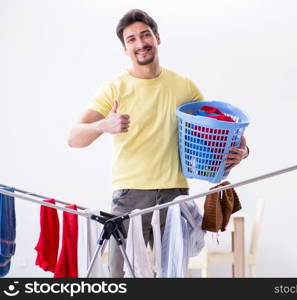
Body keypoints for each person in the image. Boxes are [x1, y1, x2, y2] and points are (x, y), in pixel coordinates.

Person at [68, 9, 249, 277]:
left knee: (170, 274)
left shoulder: (184, 87)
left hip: (174, 196)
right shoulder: (114, 88)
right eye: (131, 39)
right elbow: (73, 137)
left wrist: (243, 151)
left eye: (145, 35)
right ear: (125, 48)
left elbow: (215, 129)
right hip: (130, 195)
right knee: (120, 274)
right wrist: (103, 126)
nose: (140, 44)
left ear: (157, 38)